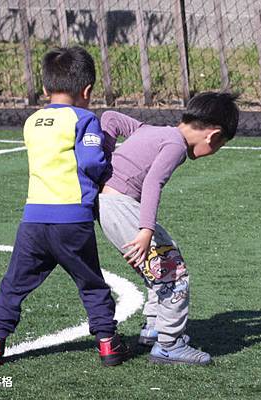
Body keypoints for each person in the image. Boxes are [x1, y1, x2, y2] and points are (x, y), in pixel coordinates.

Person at [0, 46, 129, 368]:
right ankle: (107, 343)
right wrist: (107, 163)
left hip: (33, 219)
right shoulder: (85, 118)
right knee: (90, 282)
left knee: (14, 285)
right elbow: (90, 160)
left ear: (45, 89)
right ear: (87, 91)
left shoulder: (32, 121)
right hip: (72, 219)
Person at [98, 92, 239, 365]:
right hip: (120, 207)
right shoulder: (175, 144)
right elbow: (153, 183)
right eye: (219, 147)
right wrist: (146, 229)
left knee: (161, 265)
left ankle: (153, 328)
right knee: (173, 273)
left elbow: (110, 118)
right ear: (214, 136)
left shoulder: (149, 129)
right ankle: (169, 345)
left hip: (111, 205)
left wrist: (105, 158)